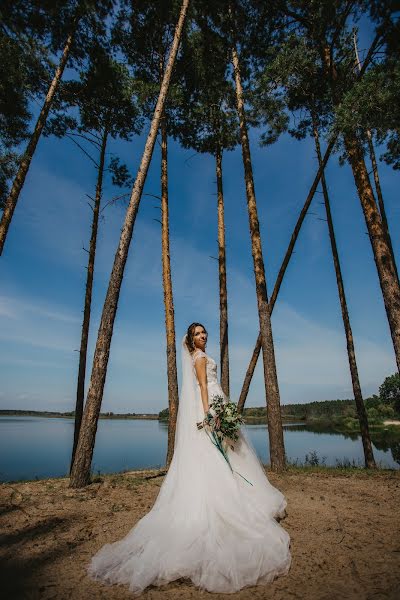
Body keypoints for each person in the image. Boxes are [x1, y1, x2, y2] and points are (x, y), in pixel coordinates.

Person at [88, 322, 292, 594]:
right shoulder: (198, 358)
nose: (202, 336)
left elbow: (212, 385)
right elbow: (202, 387)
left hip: (217, 404)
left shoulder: (204, 355)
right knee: (215, 459)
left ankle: (243, 495)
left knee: (232, 456)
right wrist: (209, 414)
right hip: (209, 407)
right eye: (197, 334)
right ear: (191, 340)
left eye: (203, 332)